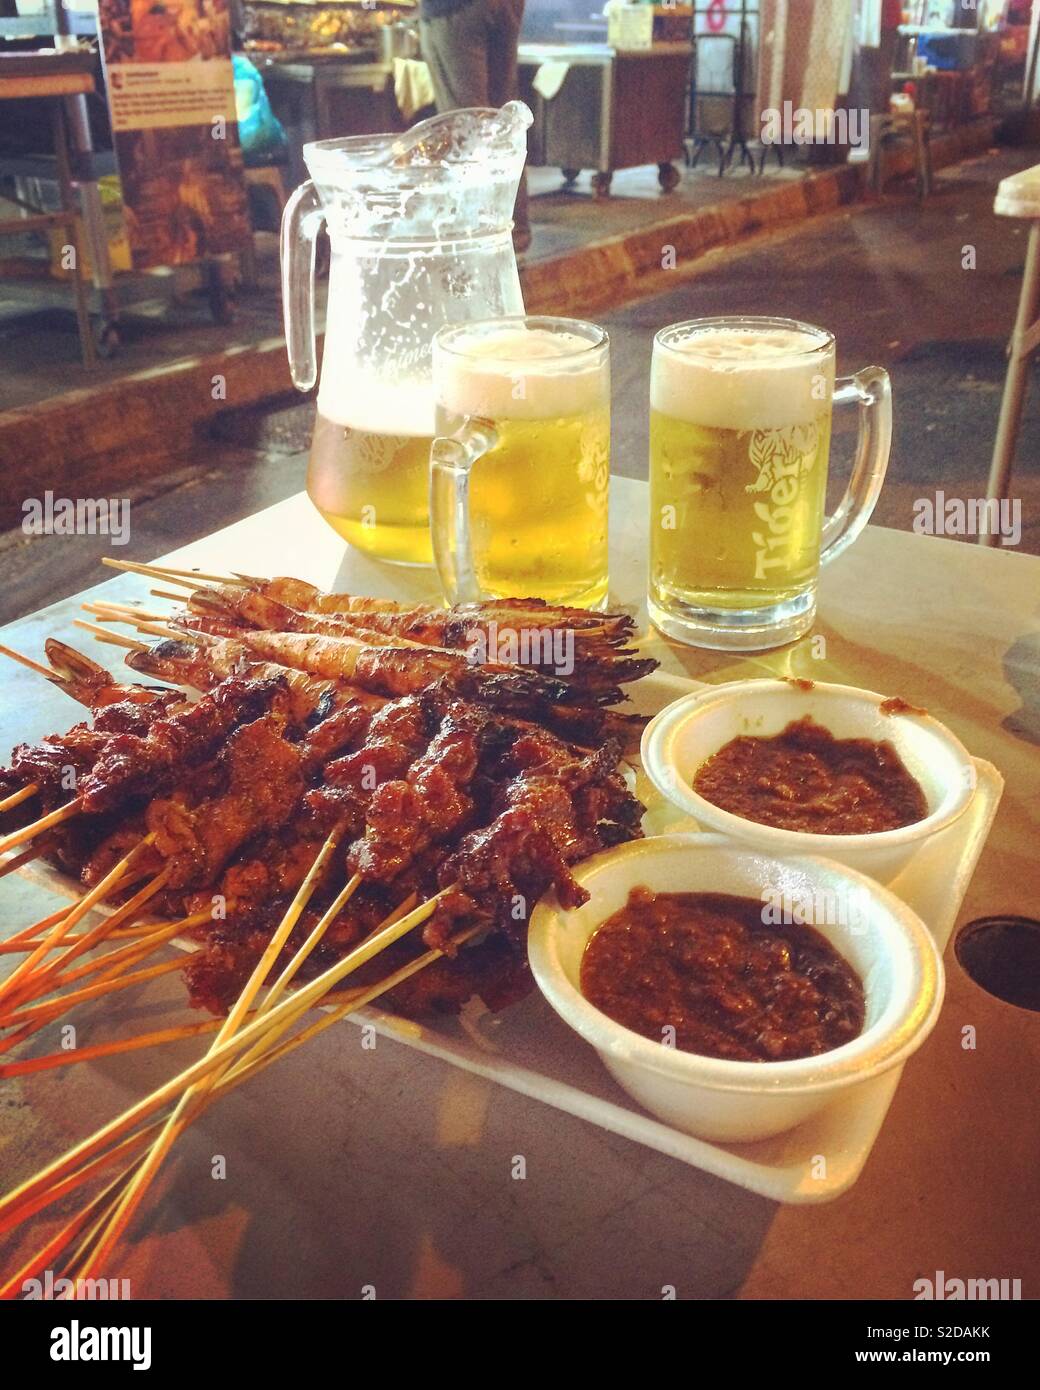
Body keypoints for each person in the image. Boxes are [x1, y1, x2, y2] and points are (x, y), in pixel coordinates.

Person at [419, 0, 531, 253]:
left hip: (454, 9)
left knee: (466, 124)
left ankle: (480, 241)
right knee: (502, 122)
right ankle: (512, 236)